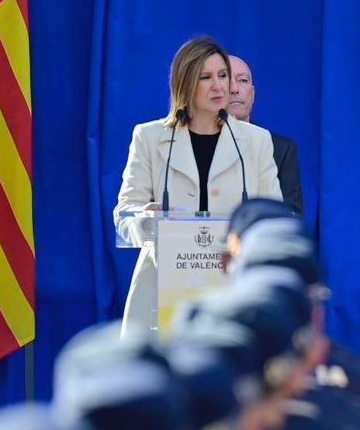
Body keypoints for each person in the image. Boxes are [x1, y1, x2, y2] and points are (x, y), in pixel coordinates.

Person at [114, 36, 282, 336]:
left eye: (223, 76)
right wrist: (149, 218)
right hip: (162, 294)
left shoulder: (256, 141)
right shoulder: (149, 137)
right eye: (207, 77)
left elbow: (274, 220)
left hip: (233, 292)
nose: (221, 87)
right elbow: (124, 216)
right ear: (185, 82)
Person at [228, 54, 304, 213]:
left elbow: (292, 215)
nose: (234, 89)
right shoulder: (195, 143)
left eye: (243, 81)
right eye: (226, 79)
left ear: (253, 93)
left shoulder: (281, 148)